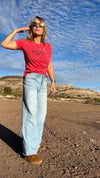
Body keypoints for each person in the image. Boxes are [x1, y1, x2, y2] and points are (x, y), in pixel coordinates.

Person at [1, 16, 56, 164]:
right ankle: (29, 151)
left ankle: (35, 143)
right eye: (34, 24)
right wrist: (16, 30)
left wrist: (52, 81)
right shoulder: (25, 43)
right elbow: (4, 44)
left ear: (44, 29)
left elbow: (49, 65)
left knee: (41, 114)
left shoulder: (47, 46)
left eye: (40, 25)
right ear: (31, 28)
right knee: (30, 113)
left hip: (43, 80)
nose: (37, 26)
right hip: (30, 79)